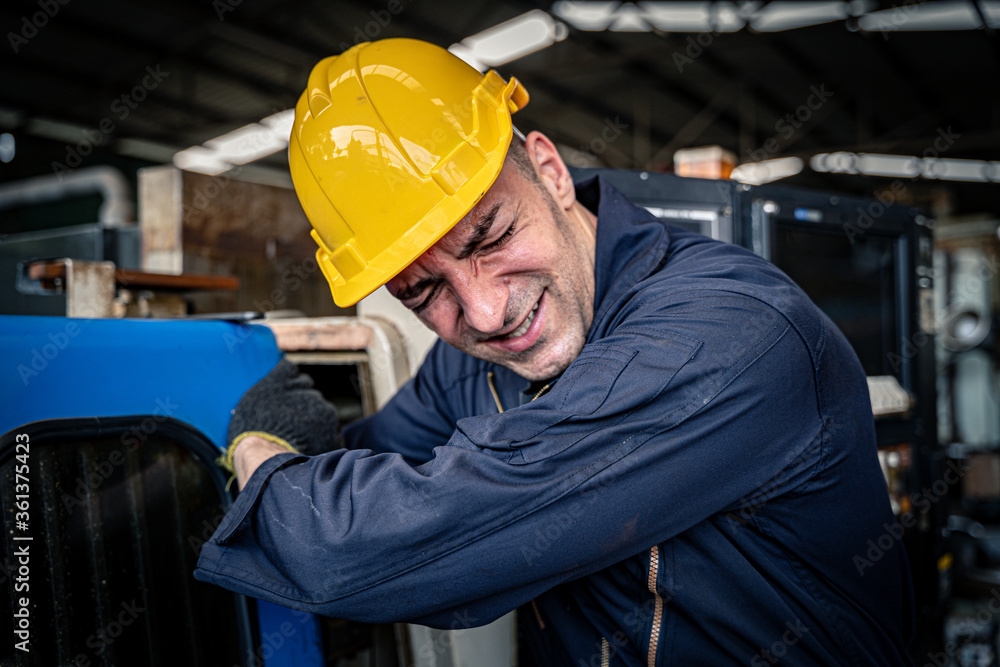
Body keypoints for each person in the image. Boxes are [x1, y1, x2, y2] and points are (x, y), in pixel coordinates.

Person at [195, 38, 914, 665]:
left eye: (491, 237)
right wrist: (282, 431)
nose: (485, 314)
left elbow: (358, 551)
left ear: (550, 170)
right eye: (424, 293)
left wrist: (257, 453)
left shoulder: (728, 336)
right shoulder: (468, 362)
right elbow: (356, 477)